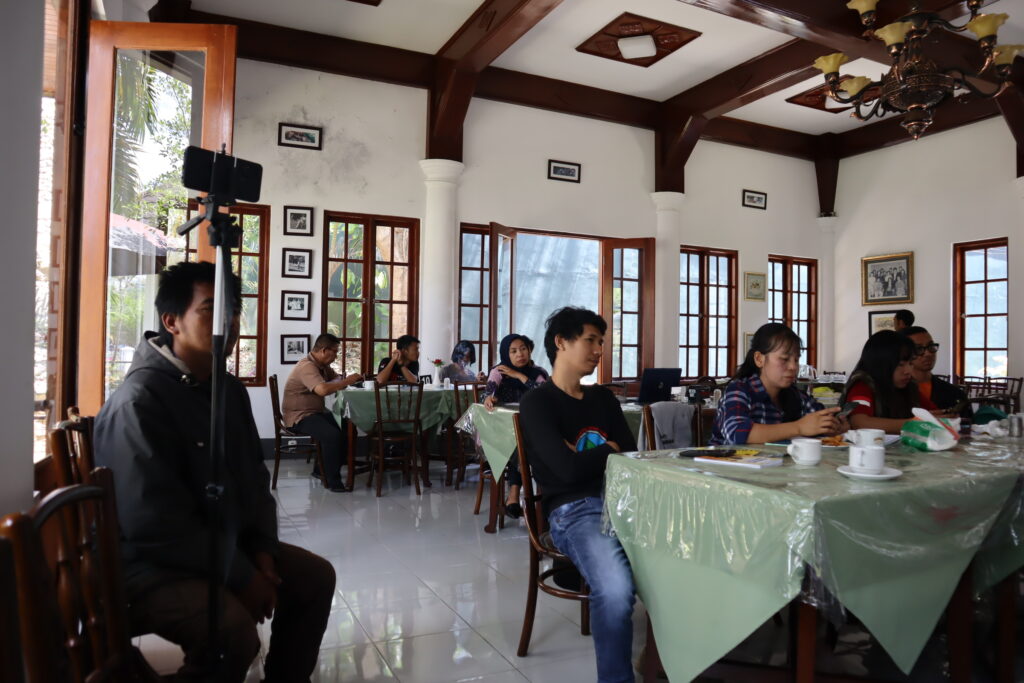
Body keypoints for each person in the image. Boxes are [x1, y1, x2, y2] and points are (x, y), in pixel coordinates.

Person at [94, 262, 335, 682]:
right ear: (172, 321)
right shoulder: (139, 401)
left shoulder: (229, 390)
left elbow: (255, 480)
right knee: (232, 633)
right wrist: (240, 575)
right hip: (147, 564)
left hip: (222, 543)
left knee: (315, 577)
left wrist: (263, 552)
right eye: (211, 309)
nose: (230, 321)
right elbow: (151, 523)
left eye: (234, 310)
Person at [519, 307, 637, 683]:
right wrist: (608, 449)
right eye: (591, 340)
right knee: (615, 589)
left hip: (625, 503)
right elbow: (566, 472)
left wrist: (585, 454)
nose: (599, 349)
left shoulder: (603, 399)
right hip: (573, 510)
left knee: (688, 562)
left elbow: (630, 456)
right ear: (561, 342)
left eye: (601, 341)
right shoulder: (538, 402)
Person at [710, 323, 845, 445]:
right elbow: (737, 433)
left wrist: (835, 424)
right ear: (759, 359)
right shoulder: (739, 391)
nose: (793, 367)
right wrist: (798, 427)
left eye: (796, 360)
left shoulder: (796, 395)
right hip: (729, 463)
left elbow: (820, 420)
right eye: (784, 359)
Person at [283, 332, 363, 492]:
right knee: (332, 435)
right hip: (299, 416)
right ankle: (333, 480)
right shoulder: (307, 366)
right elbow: (322, 390)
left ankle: (322, 469)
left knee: (347, 426)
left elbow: (337, 379)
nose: (336, 356)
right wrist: (347, 381)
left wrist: (346, 380)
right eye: (335, 352)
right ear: (324, 351)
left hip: (314, 413)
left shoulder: (322, 366)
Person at [483, 334, 551, 518]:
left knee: (523, 443)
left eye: (523, 349)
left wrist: (520, 376)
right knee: (520, 444)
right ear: (506, 354)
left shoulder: (538, 372)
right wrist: (489, 399)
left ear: (529, 351)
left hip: (531, 429)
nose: (520, 354)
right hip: (502, 431)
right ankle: (515, 494)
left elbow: (545, 396)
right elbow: (487, 394)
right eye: (513, 351)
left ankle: (513, 496)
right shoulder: (499, 371)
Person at [842, 329, 934, 433]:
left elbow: (933, 412)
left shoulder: (909, 386)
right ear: (881, 364)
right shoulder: (862, 385)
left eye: (911, 363)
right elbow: (860, 423)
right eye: (900, 365)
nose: (908, 371)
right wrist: (912, 424)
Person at [899, 326, 972, 418]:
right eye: (918, 349)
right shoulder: (895, 391)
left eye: (931, 346)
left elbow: (968, 424)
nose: (928, 353)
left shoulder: (954, 393)